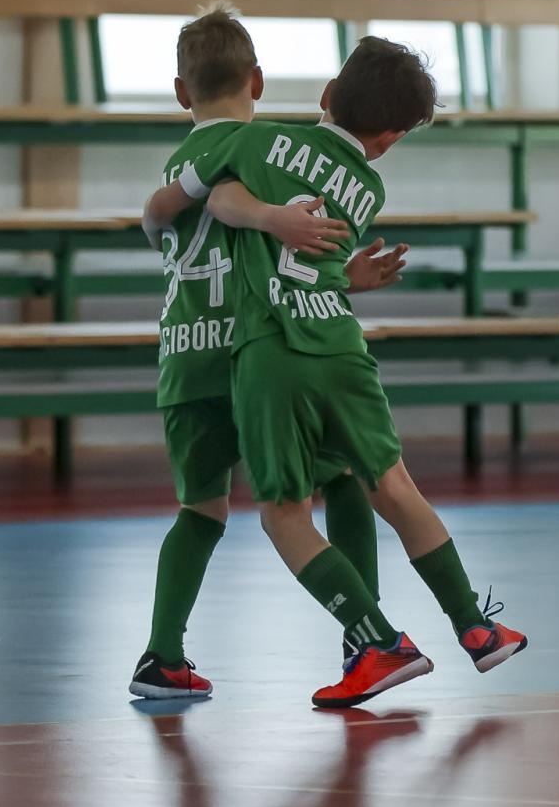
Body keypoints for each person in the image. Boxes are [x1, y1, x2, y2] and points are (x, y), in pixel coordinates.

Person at [175, 36, 528, 708]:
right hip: (338, 343)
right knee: (394, 487)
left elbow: (212, 199)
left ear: (326, 94)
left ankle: (376, 642)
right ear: (390, 138)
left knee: (283, 514)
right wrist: (348, 277)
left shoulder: (257, 143)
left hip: (272, 350)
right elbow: (317, 262)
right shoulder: (368, 185)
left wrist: (263, 216)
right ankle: (476, 628)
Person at [131, 5, 407, 700]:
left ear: (179, 92)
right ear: (258, 80)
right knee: (341, 476)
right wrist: (342, 276)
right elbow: (272, 249)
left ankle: (161, 656)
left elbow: (158, 217)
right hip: (256, 350)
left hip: (185, 354)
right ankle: (365, 637)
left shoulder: (177, 163)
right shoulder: (265, 154)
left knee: (200, 509)